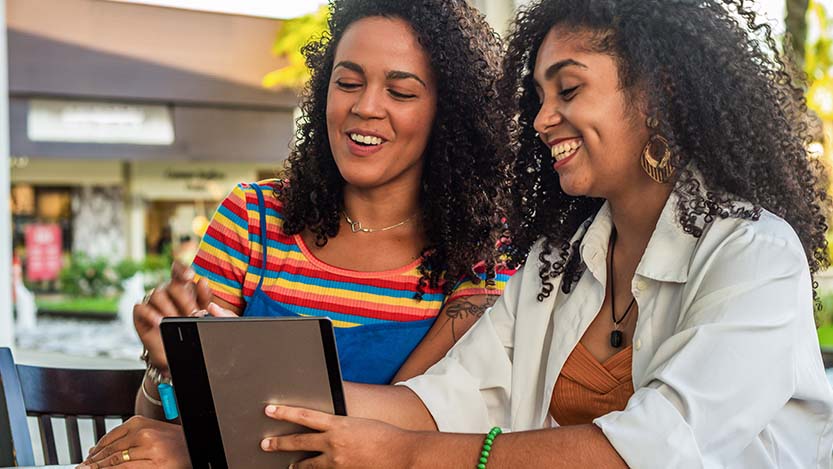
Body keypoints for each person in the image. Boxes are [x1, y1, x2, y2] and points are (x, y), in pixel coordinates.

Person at [239, 0, 832, 467]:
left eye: (568, 90)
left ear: (659, 91)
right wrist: (229, 379)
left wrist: (410, 456)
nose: (543, 119)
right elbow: (443, 400)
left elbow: (657, 448)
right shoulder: (556, 266)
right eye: (539, 97)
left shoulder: (755, 255)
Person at [80, 0, 515, 467]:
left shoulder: (483, 252)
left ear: (449, 114)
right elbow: (160, 421)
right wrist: (167, 366)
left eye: (401, 92)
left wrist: (208, 424)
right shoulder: (252, 219)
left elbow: (412, 421)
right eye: (347, 83)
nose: (365, 107)